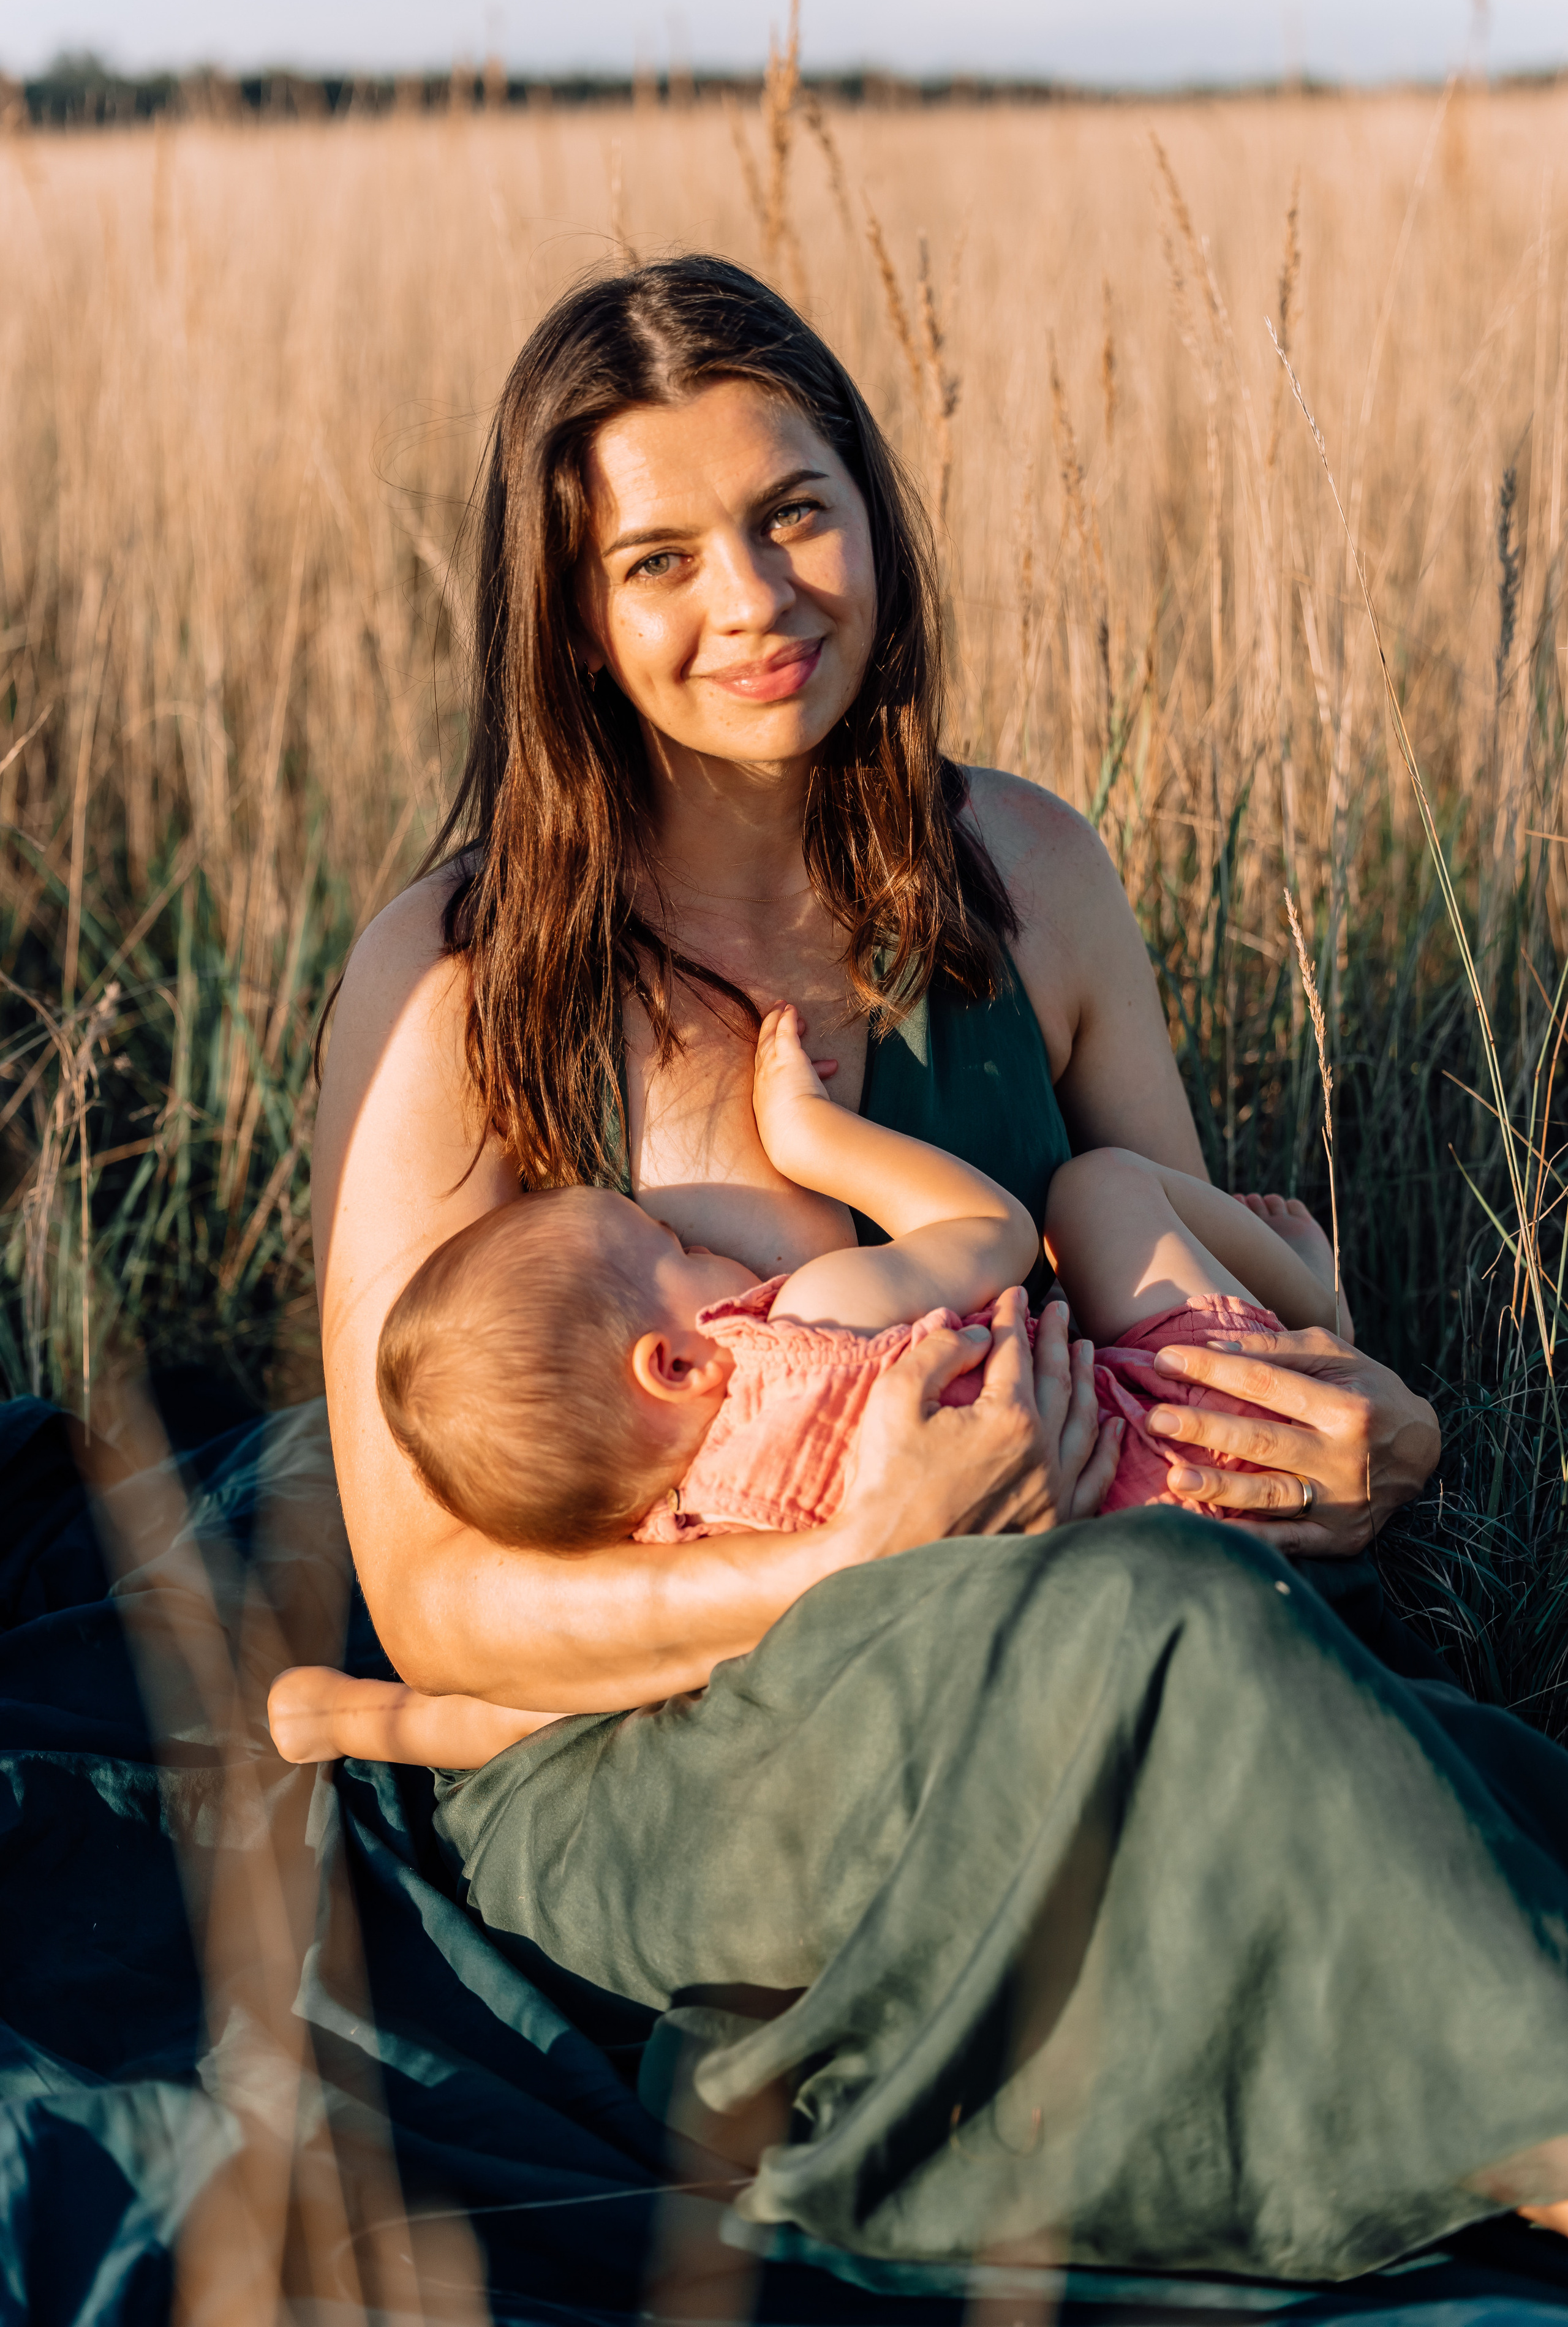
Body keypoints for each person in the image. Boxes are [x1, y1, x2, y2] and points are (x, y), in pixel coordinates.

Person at [307, 255, 1568, 2275]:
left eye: (795, 512)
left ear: (873, 510)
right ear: (568, 615)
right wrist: (840, 1565)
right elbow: (430, 1599)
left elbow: (1193, 1297)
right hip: (690, 1748)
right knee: (1152, 1633)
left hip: (1121, 1604)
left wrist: (1361, 1433)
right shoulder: (461, 988)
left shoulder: (1033, 876)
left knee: (1196, 1638)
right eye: (657, 559)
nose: (754, 599)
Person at [273, 1002, 1341, 1768]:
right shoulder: (802, 1326)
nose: (696, 1240)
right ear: (680, 1361)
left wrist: (352, 1721)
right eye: (670, 1244)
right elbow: (998, 1234)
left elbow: (508, 1717)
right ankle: (1322, 1309)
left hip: (1131, 1596)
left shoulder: (692, 1559)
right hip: (1207, 1440)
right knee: (1097, 1191)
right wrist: (814, 1139)